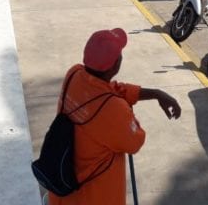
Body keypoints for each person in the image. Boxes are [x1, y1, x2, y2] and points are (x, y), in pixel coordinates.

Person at [48, 28, 181, 205]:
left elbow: (112, 89)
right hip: (94, 197)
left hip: (61, 192)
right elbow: (135, 141)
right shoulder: (114, 109)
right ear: (115, 65)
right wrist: (127, 112)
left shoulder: (74, 74)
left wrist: (156, 93)